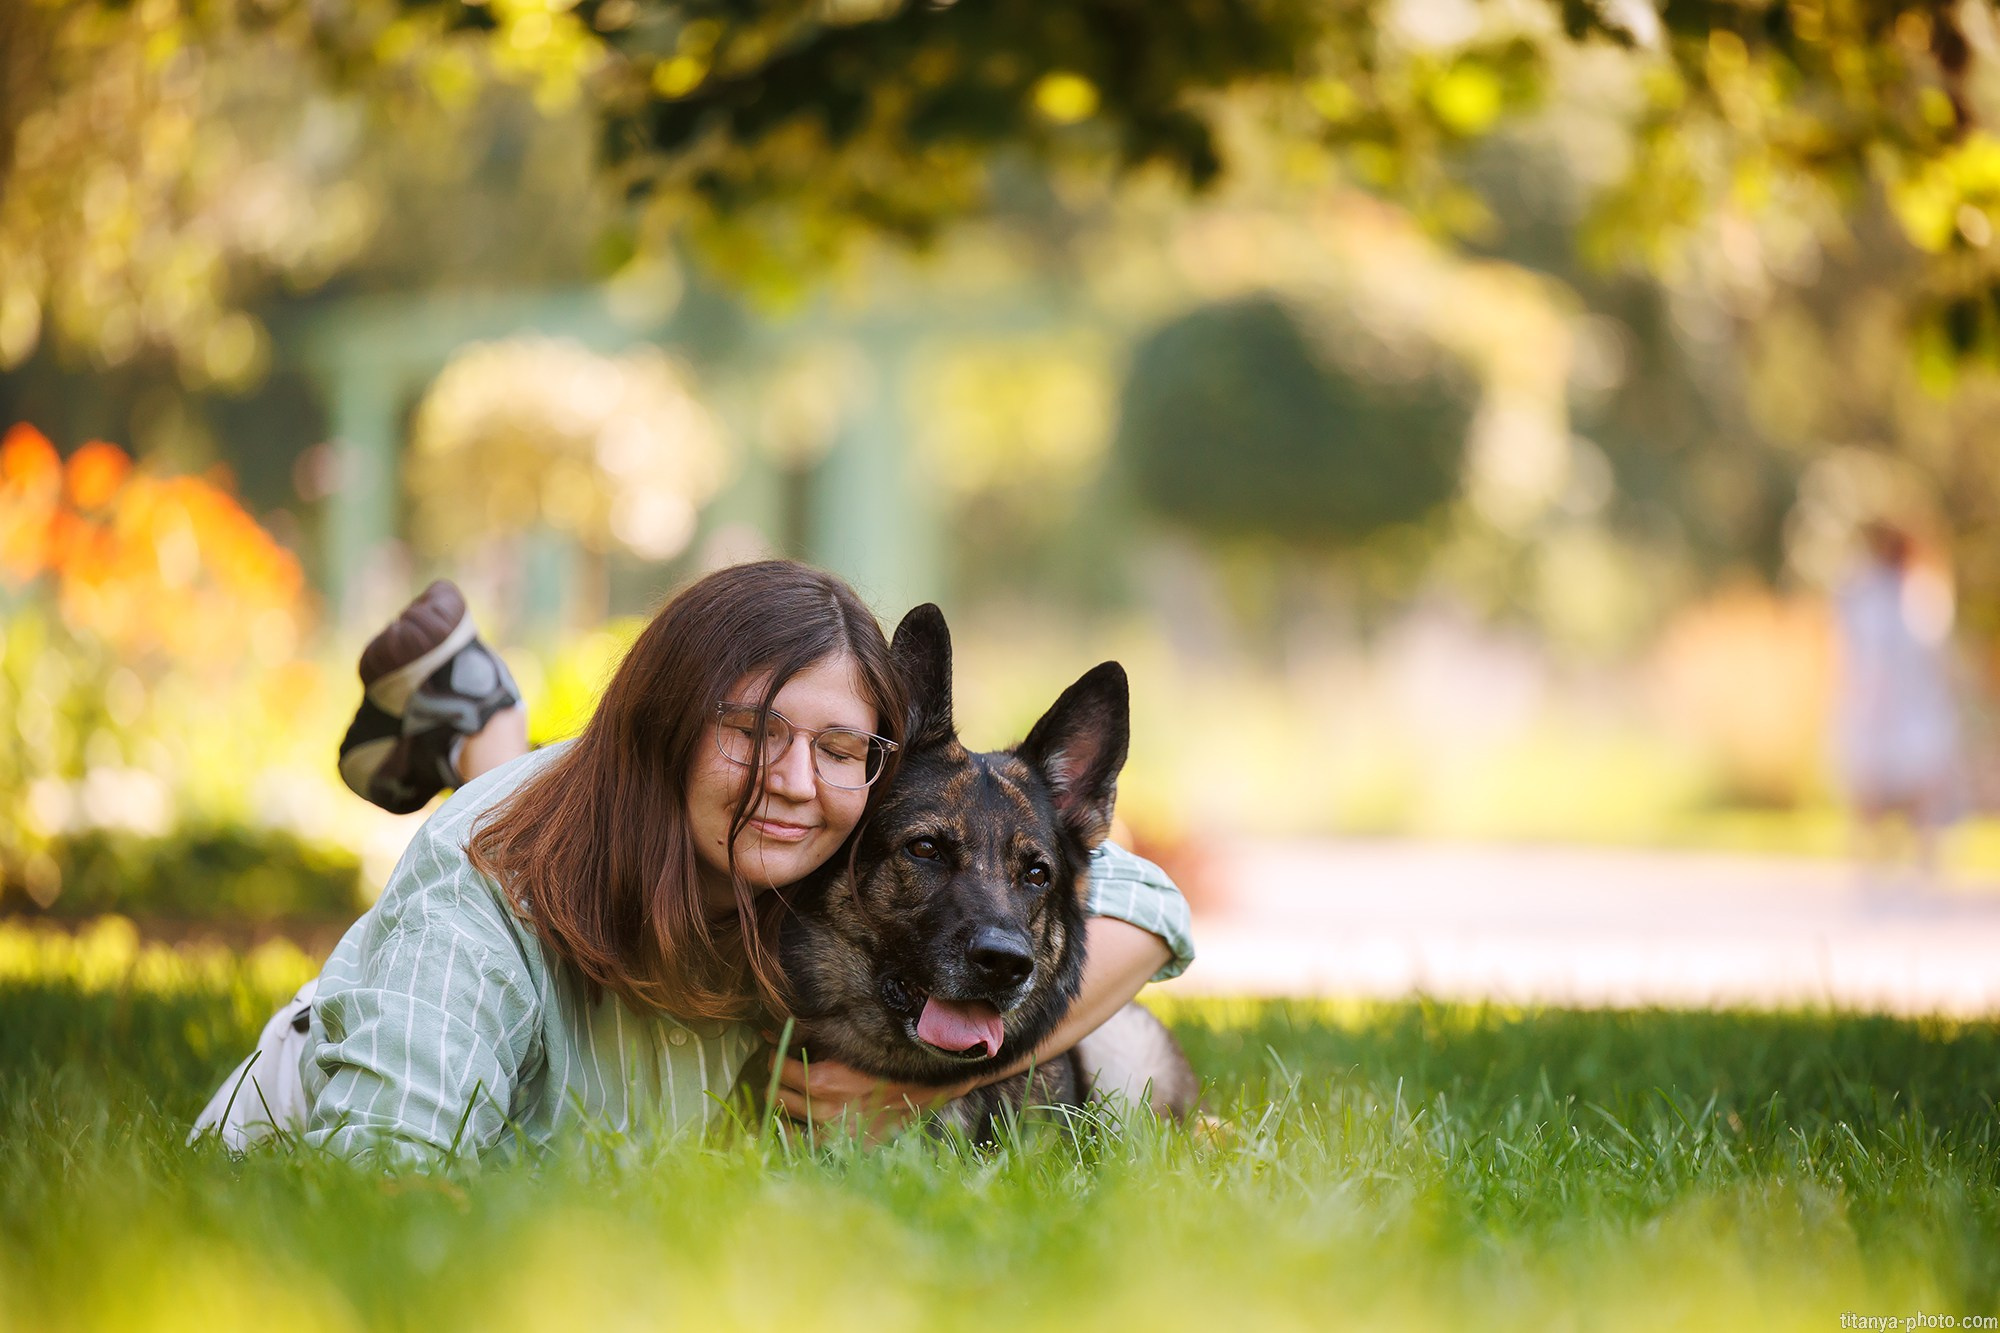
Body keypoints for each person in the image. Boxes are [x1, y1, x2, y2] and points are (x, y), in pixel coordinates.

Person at [192, 562, 1193, 1162]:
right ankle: (487, 742)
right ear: (663, 722)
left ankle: (475, 722)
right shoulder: (475, 900)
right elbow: (375, 1169)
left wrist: (923, 1085)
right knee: (530, 838)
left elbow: (1142, 904)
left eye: (838, 747)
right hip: (408, 1022)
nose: (797, 782)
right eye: (749, 730)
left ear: (876, 763)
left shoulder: (824, 845)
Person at [1831, 522, 1962, 881]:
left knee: (1916, 782)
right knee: (1876, 785)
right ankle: (1874, 860)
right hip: (1881, 700)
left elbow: (1933, 652)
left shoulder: (1918, 591)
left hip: (1908, 701)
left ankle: (1916, 858)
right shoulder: (1869, 592)